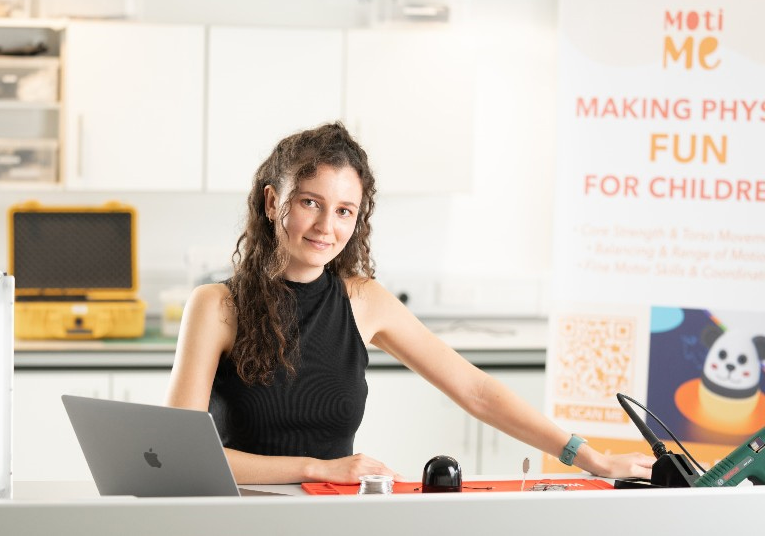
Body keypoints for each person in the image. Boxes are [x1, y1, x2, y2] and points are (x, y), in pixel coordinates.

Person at [165, 122, 654, 485]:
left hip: (336, 517)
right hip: (242, 515)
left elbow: (476, 392)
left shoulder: (364, 302)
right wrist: (318, 467)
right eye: (309, 202)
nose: (325, 227)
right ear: (273, 203)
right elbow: (181, 455)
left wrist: (591, 457)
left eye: (344, 211)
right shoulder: (215, 306)